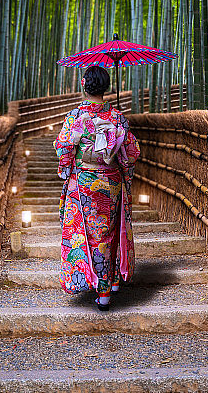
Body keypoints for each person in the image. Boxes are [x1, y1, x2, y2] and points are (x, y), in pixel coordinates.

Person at [53, 66, 140, 311]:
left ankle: (95, 285)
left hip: (82, 183)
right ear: (107, 86)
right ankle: (109, 284)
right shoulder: (117, 118)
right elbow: (131, 154)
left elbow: (63, 149)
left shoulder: (74, 117)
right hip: (110, 182)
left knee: (86, 234)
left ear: (83, 84)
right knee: (109, 234)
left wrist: (67, 166)